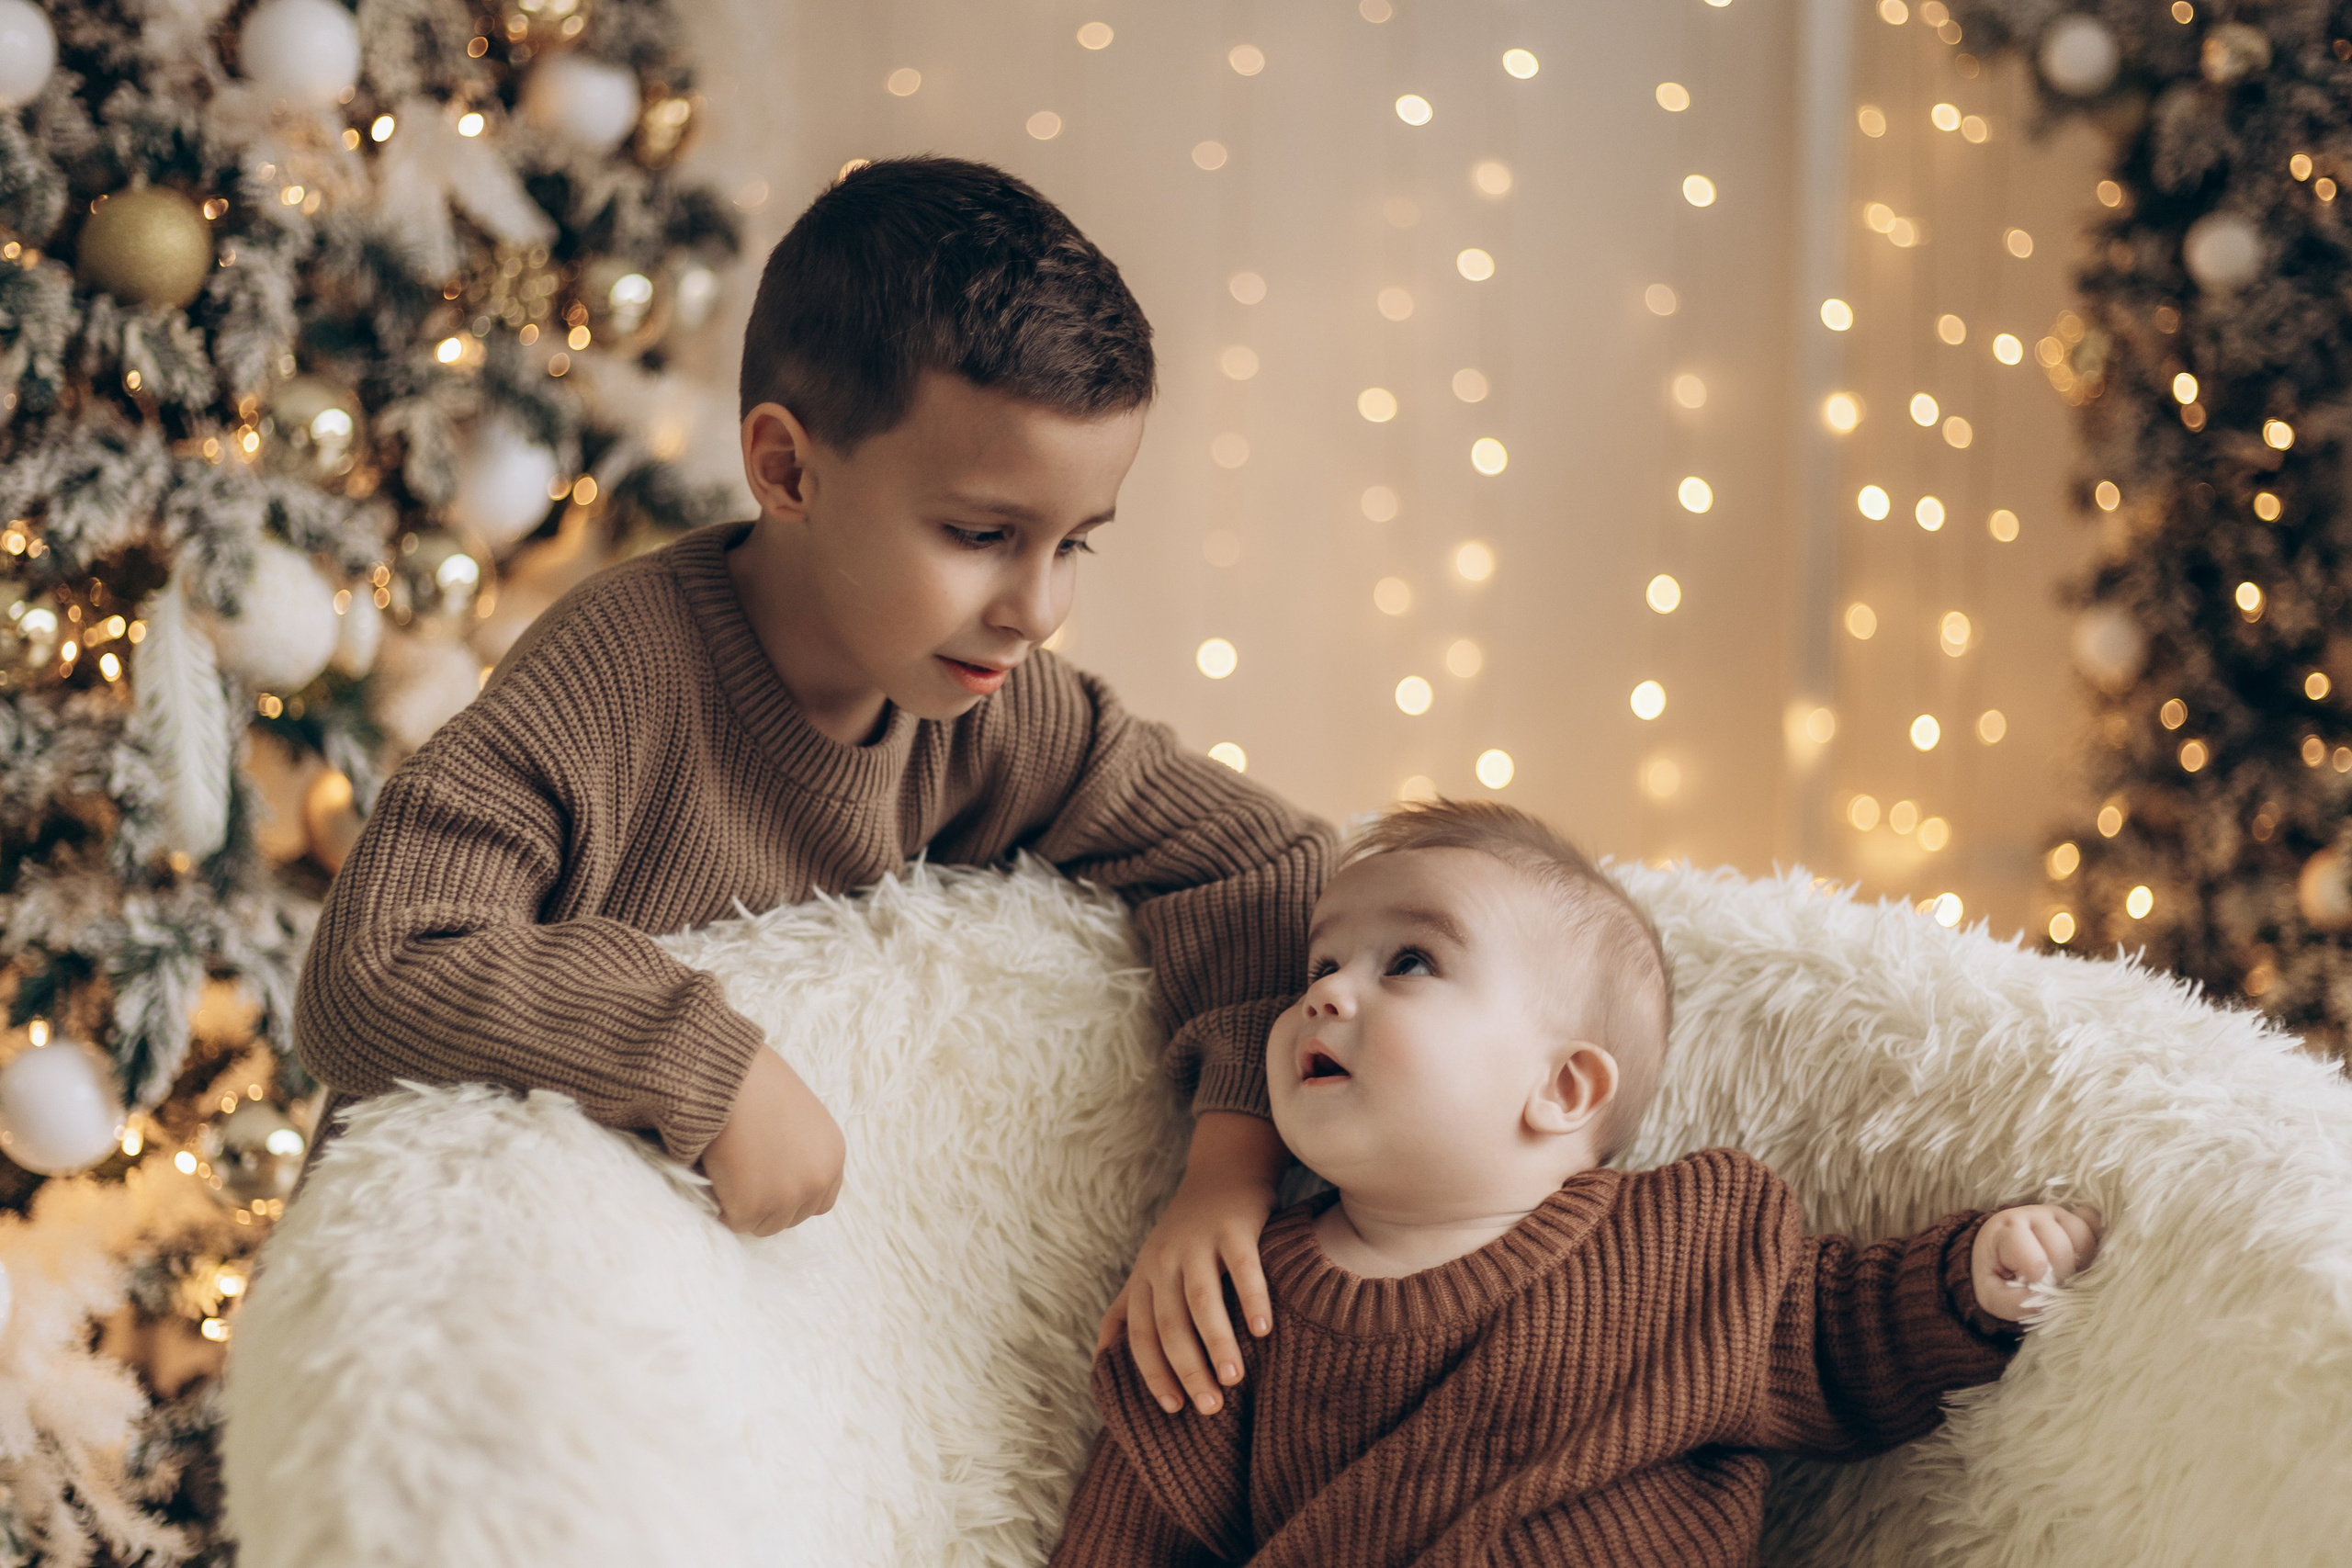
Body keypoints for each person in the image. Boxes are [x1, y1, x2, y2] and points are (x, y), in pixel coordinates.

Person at [295, 157, 1333, 1404]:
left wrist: (1226, 1170)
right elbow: (372, 965)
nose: (1038, 608)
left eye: (1075, 545)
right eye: (981, 534)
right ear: (787, 472)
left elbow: (1271, 860)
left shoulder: (990, 708)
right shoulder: (614, 682)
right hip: (457, 1340)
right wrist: (705, 1057)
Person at [1051, 799, 2103, 1566]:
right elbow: (1138, 1520)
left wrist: (1970, 1275)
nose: (1326, 994)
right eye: (1321, 965)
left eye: (1405, 962)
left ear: (1561, 1087)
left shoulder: (1689, 1242)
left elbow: (1843, 1336)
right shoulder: (1242, 1292)